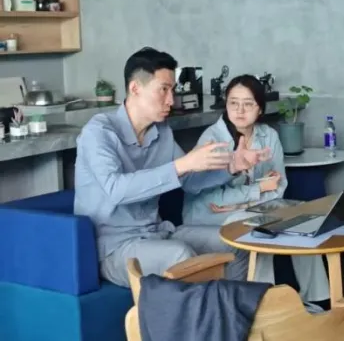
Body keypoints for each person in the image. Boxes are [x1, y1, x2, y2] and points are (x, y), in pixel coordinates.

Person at [74, 47, 270, 287]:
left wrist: (232, 167)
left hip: (158, 233)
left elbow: (190, 182)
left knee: (238, 241)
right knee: (180, 255)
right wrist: (183, 164)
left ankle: (236, 307)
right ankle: (210, 311)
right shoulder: (99, 132)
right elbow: (116, 190)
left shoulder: (161, 133)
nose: (171, 100)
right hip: (113, 248)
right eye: (163, 89)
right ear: (135, 88)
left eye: (173, 90)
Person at [182, 74, 330, 303]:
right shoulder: (213, 139)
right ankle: (261, 302)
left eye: (248, 104)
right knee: (259, 227)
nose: (239, 110)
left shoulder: (268, 136)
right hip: (205, 216)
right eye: (233, 102)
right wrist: (256, 191)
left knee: (301, 216)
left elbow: (279, 186)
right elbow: (209, 199)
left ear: (260, 108)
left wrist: (244, 202)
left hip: (250, 209)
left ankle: (318, 300)